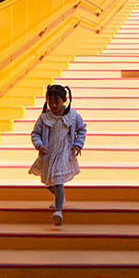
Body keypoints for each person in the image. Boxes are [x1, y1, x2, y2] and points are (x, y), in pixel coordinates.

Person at [29, 84, 86, 225]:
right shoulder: (44, 117)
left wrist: (78, 144)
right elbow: (35, 133)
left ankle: (58, 211)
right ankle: (60, 197)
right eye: (50, 102)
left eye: (57, 102)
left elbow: (82, 129)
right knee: (49, 183)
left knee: (59, 181)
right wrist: (39, 145)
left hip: (63, 152)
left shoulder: (72, 116)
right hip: (49, 154)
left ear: (64, 100)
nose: (53, 105)